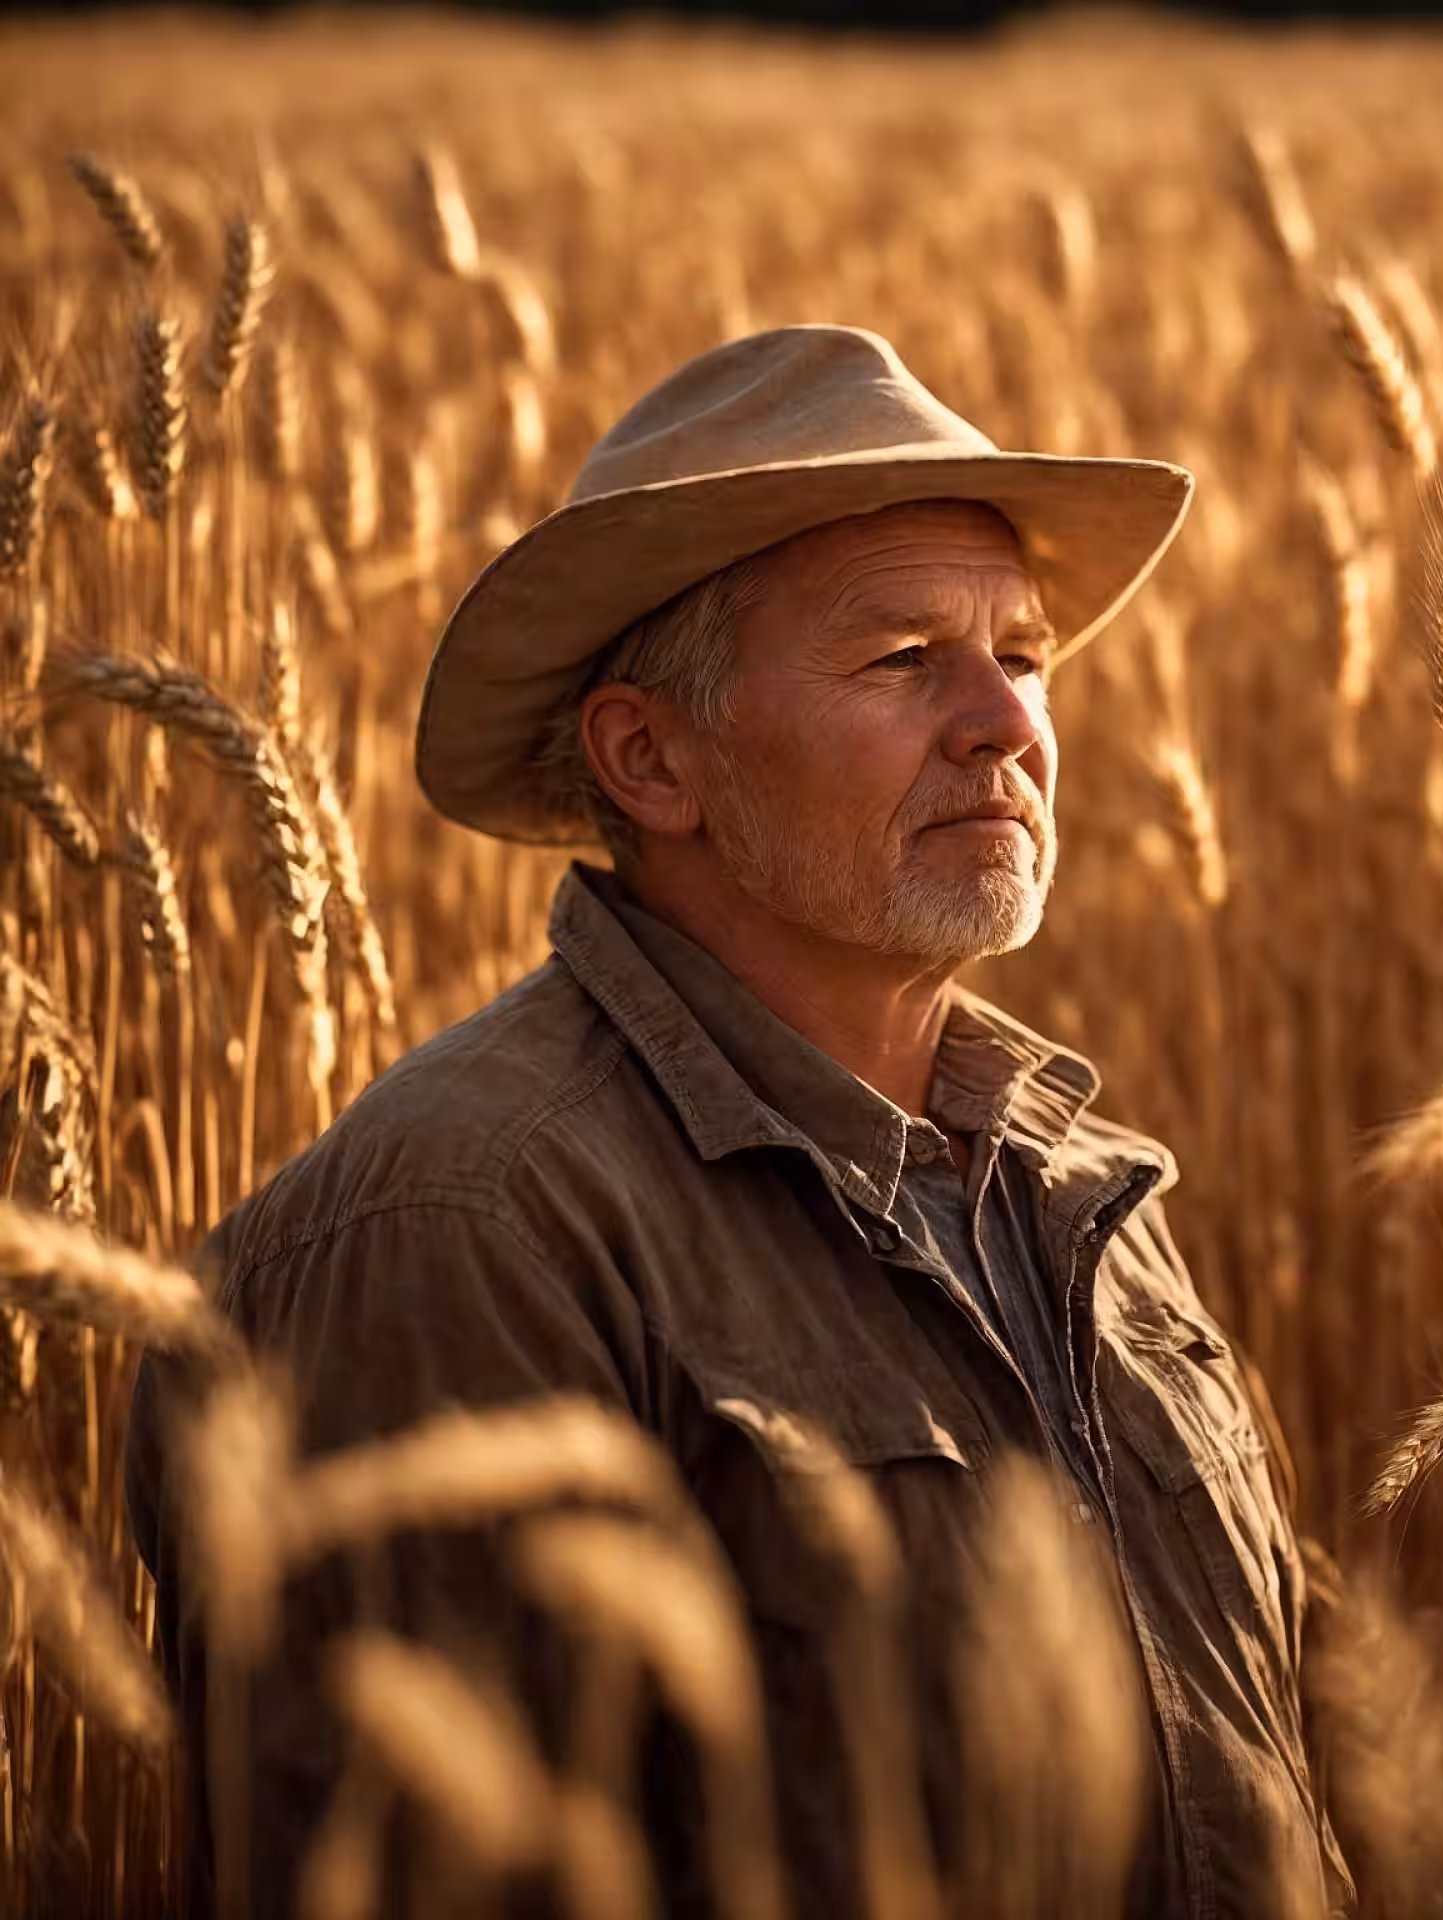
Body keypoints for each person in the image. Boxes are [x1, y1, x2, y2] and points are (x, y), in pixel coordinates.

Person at [125, 323, 1354, 1918]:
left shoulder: (1083, 1192)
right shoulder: (461, 1230)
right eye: (904, 659)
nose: (1005, 723)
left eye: (1025, 653)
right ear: (652, 758)